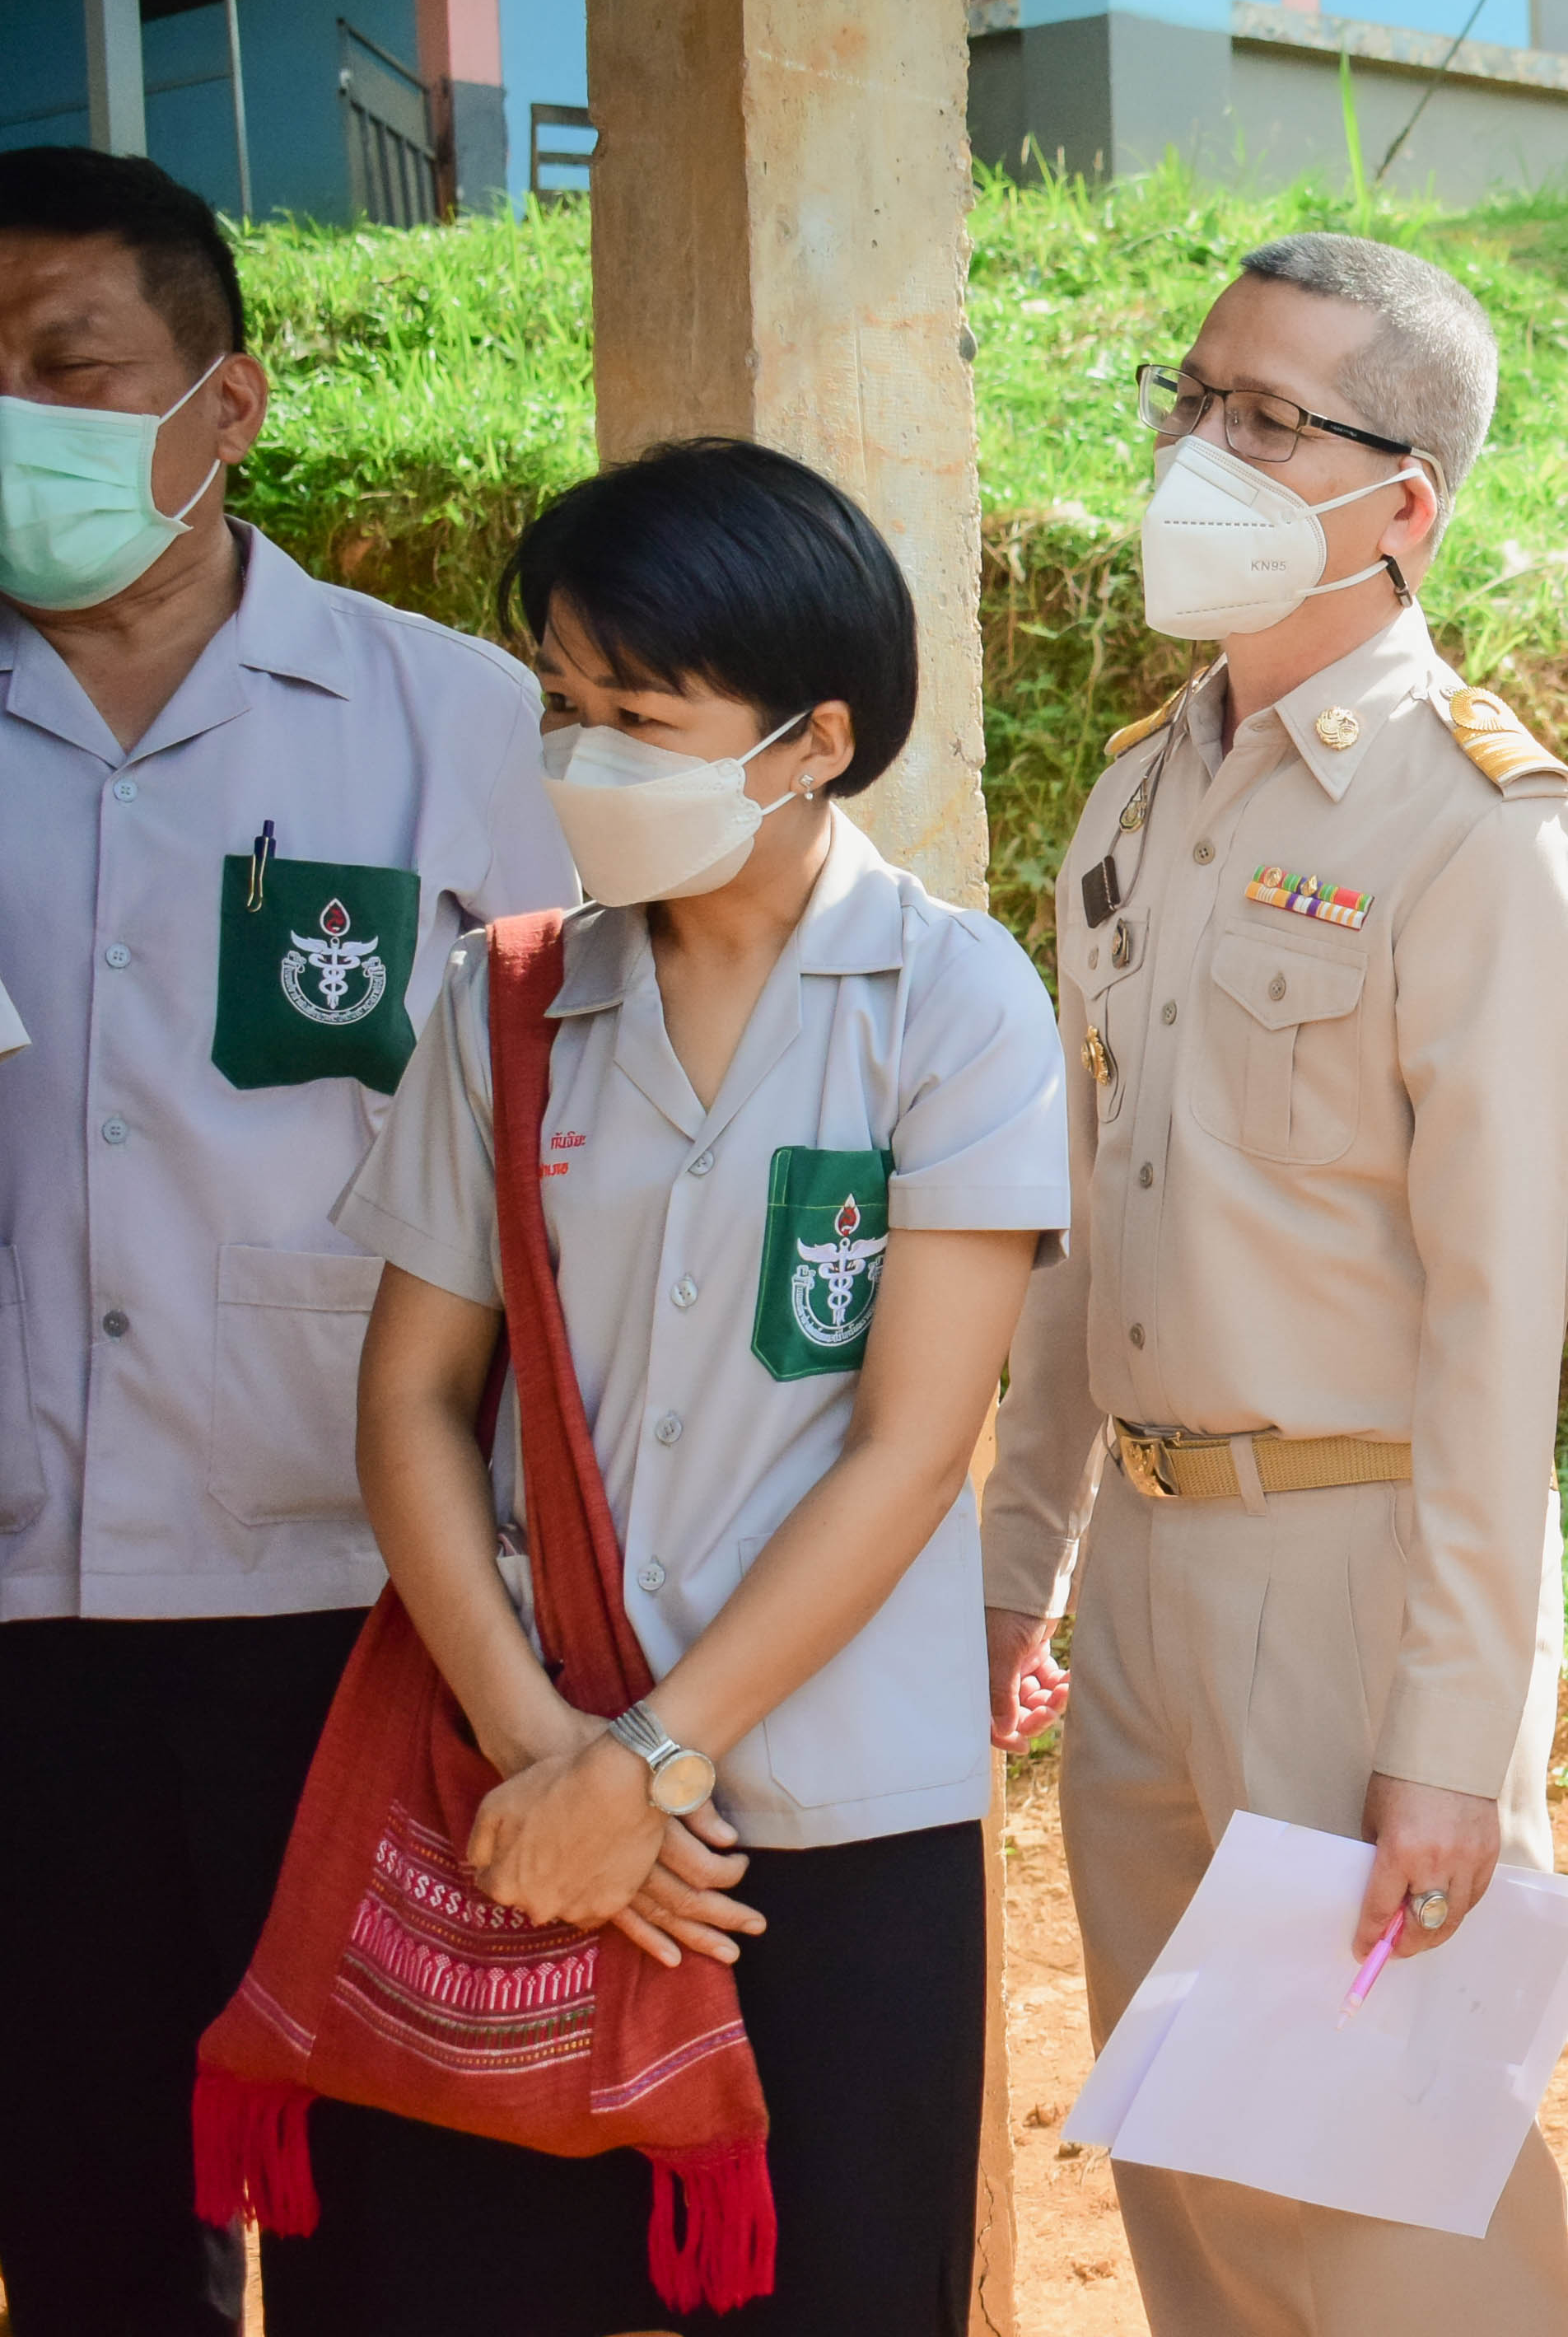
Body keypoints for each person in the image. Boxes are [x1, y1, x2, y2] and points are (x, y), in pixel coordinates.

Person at [297, 439, 1066, 2334]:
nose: (583, 758)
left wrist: (650, 1763)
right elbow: (410, 1401)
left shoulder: (954, 1003)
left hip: (830, 1823)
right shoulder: (505, 1002)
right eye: (563, 704)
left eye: (640, 718)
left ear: (814, 741)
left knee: (835, 2287)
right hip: (521, 1793)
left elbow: (913, 1448)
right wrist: (543, 1757)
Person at [979, 231, 1568, 2335]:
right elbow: (1082, 1225)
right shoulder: (1139, 794)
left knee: (1389, 2219)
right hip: (1150, 1574)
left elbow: (1498, 1330)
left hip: (1356, 1586)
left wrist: (1449, 1735)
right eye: (1191, 398)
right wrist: (1017, 1572)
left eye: (1266, 419)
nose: (1200, 448)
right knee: (1199, 2192)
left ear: (1405, 503)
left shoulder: (1479, 833)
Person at [0, 144, 576, 2337]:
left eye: (67, 368)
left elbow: (584, 1144)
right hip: (26, 1611)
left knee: (391, 2228)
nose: (16, 420)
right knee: (86, 2214)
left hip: (353, 1609)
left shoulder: (455, 725)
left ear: (224, 402)